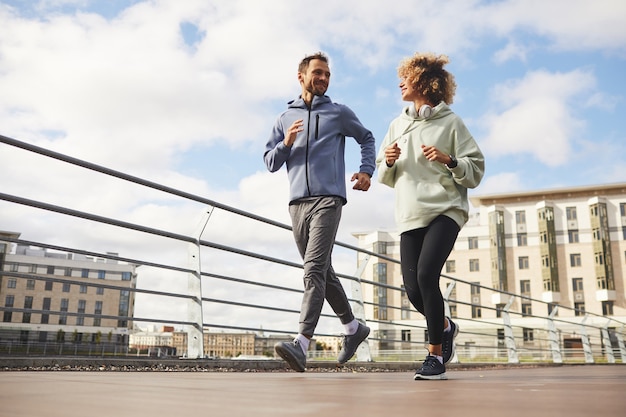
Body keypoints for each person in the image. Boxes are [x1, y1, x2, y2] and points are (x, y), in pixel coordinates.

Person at [264, 52, 375, 372]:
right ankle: (354, 329)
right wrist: (286, 143)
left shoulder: (338, 113)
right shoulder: (285, 118)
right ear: (302, 76)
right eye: (318, 73)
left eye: (327, 74)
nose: (324, 78)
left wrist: (366, 170)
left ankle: (301, 343)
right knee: (323, 272)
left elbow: (366, 138)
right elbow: (270, 162)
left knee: (312, 269)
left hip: (329, 199)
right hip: (297, 203)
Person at [376, 52, 484, 380]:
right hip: (410, 214)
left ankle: (434, 355)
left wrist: (450, 160)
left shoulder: (452, 123)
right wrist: (389, 160)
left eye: (405, 78)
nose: (400, 83)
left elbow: (475, 169)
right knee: (412, 289)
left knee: (426, 276)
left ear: (423, 82)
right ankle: (446, 325)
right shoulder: (397, 125)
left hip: (445, 210)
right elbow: (384, 173)